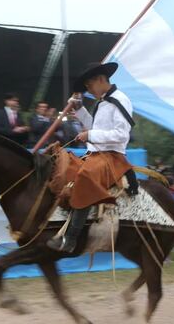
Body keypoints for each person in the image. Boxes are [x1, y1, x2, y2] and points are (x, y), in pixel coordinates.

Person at [47, 62, 134, 253]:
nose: (87, 89)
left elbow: (122, 135)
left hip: (113, 157)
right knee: (65, 168)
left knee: (85, 175)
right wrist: (79, 110)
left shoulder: (121, 99)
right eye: (86, 87)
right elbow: (95, 126)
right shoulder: (102, 102)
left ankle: (70, 239)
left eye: (89, 85)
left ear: (101, 79)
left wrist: (90, 136)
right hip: (94, 155)